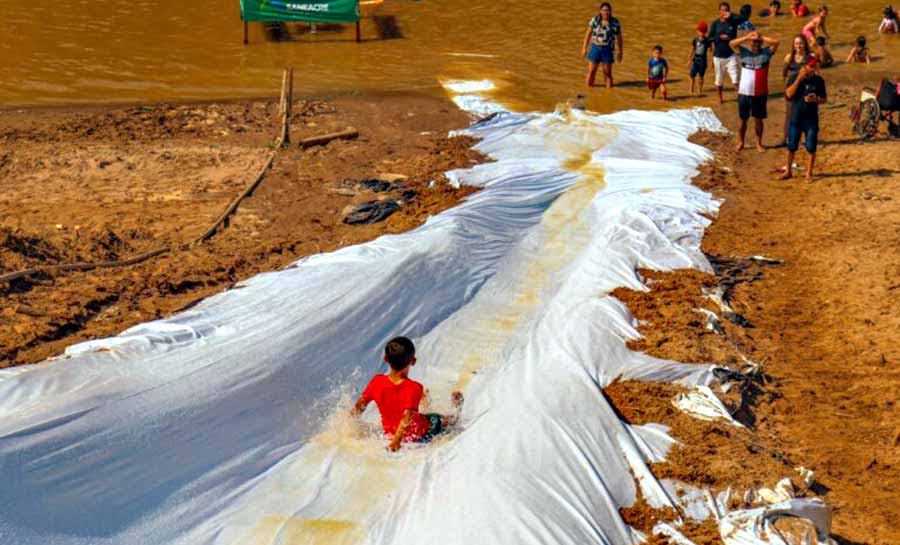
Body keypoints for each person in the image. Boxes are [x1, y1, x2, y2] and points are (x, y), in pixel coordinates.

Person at [352, 337, 463, 452]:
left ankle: (425, 404)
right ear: (413, 361)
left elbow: (359, 406)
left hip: (391, 433)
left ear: (386, 359)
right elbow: (407, 416)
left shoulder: (376, 381)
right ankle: (456, 410)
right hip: (420, 434)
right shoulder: (414, 387)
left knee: (420, 413)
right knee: (442, 419)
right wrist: (396, 441)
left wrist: (349, 425)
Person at [731, 30, 780, 151]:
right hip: (744, 93)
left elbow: (777, 42)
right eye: (753, 41)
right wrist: (747, 37)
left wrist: (761, 37)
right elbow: (731, 44)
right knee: (743, 120)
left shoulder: (766, 53)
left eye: (757, 41)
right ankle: (741, 142)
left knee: (758, 119)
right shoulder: (744, 52)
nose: (755, 43)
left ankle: (759, 143)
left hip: (760, 92)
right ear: (749, 42)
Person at [781, 58, 827, 180]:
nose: (813, 69)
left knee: (811, 147)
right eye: (810, 67)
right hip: (796, 119)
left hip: (811, 120)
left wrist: (815, 99)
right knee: (791, 147)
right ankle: (788, 171)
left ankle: (809, 173)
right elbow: (788, 95)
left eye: (814, 67)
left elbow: (824, 99)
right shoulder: (793, 78)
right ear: (804, 66)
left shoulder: (818, 80)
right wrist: (798, 79)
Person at [582, 2, 624, 88]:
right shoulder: (595, 20)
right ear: (600, 11)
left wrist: (620, 51)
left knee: (607, 73)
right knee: (592, 71)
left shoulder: (615, 22)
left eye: (608, 10)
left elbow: (619, 38)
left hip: (607, 49)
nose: (606, 12)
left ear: (611, 11)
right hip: (595, 47)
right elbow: (588, 35)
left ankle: (609, 93)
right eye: (604, 10)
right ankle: (588, 89)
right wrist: (584, 48)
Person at [710, 2, 745, 103]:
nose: (724, 12)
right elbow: (709, 38)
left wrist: (732, 15)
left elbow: (744, 18)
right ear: (719, 11)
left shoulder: (733, 22)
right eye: (723, 10)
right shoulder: (715, 24)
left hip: (731, 55)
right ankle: (720, 98)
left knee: (736, 79)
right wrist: (719, 37)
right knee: (719, 80)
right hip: (718, 56)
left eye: (726, 10)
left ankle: (740, 97)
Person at [782, 35, 813, 144]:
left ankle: (804, 138)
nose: (799, 46)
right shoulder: (789, 57)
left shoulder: (810, 57)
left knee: (805, 114)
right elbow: (784, 74)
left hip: (805, 89)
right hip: (792, 88)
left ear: (805, 44)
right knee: (789, 114)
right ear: (793, 45)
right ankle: (785, 138)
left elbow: (817, 74)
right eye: (796, 43)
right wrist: (786, 89)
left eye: (801, 43)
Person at [689, 22, 714, 94]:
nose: (701, 33)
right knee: (691, 75)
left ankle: (699, 90)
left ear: (706, 32)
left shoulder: (707, 40)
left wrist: (712, 61)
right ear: (697, 31)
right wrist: (689, 59)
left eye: (703, 32)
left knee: (701, 77)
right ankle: (691, 89)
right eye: (700, 31)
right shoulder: (695, 40)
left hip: (703, 61)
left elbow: (711, 51)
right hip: (695, 59)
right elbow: (692, 49)